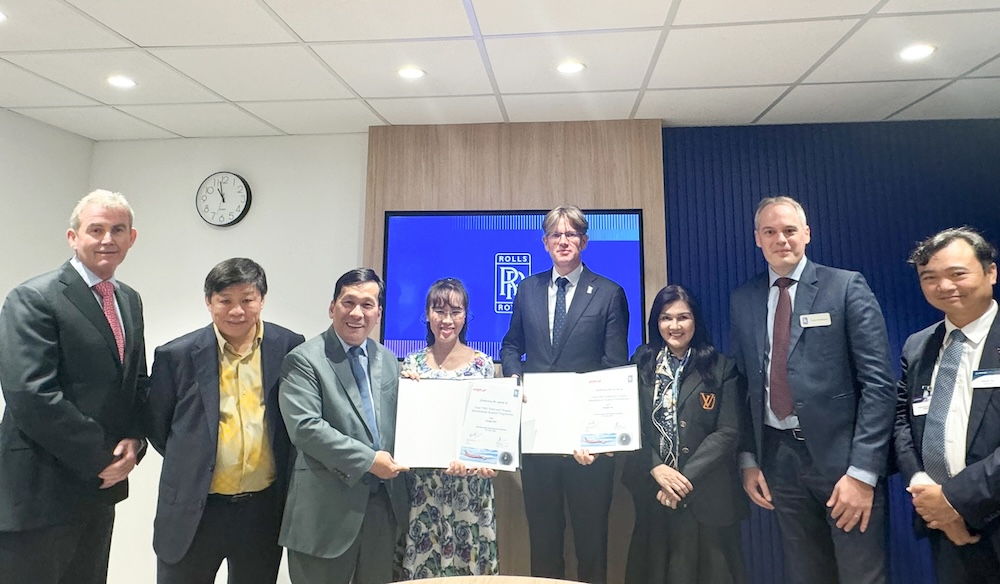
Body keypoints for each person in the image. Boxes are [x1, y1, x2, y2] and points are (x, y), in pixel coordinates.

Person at [729, 196, 895, 584]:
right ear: (757, 238)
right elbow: (744, 384)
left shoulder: (845, 286)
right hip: (779, 460)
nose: (781, 239)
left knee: (860, 575)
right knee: (805, 574)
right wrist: (749, 458)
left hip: (844, 463)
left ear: (807, 234)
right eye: (770, 231)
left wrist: (863, 472)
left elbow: (879, 385)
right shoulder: (744, 299)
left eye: (789, 230)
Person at [0, 189, 147, 584]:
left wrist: (135, 442)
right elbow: (31, 394)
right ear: (73, 237)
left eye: (118, 230)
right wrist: (101, 457)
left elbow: (135, 382)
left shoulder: (128, 300)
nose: (107, 239)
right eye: (95, 229)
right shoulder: (34, 298)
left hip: (98, 493)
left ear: (132, 237)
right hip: (39, 491)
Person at [146, 258, 305, 583]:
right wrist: (199, 460)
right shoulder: (176, 355)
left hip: (262, 510)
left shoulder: (288, 346)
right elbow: (158, 427)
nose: (237, 311)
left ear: (262, 299)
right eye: (225, 301)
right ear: (209, 301)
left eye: (247, 300)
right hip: (196, 508)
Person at [500, 205, 629, 583]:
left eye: (571, 234)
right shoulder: (527, 289)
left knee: (591, 542)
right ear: (545, 243)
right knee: (544, 540)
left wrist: (599, 434)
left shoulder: (609, 293)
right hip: (539, 436)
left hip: (586, 443)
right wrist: (515, 377)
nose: (563, 241)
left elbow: (613, 367)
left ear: (584, 241)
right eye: (556, 235)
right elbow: (511, 345)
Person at [278, 268, 409, 584]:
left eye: (367, 305)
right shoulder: (304, 359)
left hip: (381, 511)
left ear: (378, 313)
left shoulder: (389, 360)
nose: (356, 313)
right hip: (325, 515)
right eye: (348, 302)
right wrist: (369, 461)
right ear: (332, 307)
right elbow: (306, 428)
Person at [894, 227, 1000, 584]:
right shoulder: (918, 346)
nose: (944, 286)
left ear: (991, 272)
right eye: (930, 277)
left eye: (957, 273)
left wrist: (955, 499)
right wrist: (923, 487)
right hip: (945, 527)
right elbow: (902, 421)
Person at [622, 285, 748, 584]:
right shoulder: (640, 364)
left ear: (696, 321)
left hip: (707, 494)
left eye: (683, 317)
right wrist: (656, 467)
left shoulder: (721, 367)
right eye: (666, 318)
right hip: (653, 494)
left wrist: (681, 480)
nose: (674, 326)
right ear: (656, 322)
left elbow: (728, 431)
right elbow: (628, 425)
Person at [398, 278, 499, 579]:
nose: (447, 320)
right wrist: (406, 390)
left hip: (472, 486)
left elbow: (491, 426)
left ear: (465, 316)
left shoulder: (483, 364)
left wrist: (488, 461)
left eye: (455, 311)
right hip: (426, 486)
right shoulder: (411, 365)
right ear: (427, 314)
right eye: (439, 310)